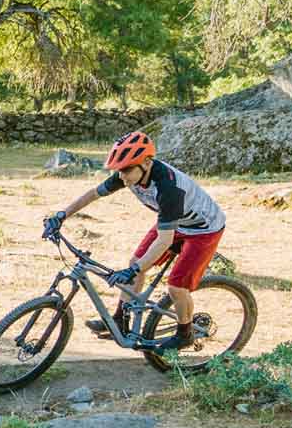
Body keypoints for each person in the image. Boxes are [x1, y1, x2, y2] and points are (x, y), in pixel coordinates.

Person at [42, 131, 226, 353]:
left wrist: (134, 270)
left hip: (203, 229)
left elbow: (165, 240)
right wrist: (62, 215)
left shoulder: (169, 189)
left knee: (176, 286)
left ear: (147, 163)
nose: (122, 176)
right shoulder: (129, 174)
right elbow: (93, 194)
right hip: (175, 221)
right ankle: (120, 319)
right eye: (119, 170)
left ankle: (185, 333)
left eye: (127, 169)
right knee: (136, 262)